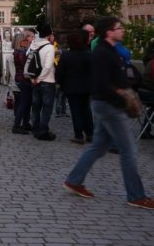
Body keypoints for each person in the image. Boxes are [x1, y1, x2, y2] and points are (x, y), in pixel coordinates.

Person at [63, 17, 154, 209]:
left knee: (98, 147)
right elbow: (102, 84)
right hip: (110, 106)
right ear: (109, 32)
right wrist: (122, 99)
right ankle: (136, 195)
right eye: (119, 28)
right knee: (128, 151)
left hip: (104, 104)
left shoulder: (108, 50)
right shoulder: (103, 53)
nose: (123, 31)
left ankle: (74, 180)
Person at [56, 30, 93, 144]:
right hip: (86, 87)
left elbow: (60, 73)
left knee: (75, 111)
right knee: (86, 110)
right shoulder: (88, 54)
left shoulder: (66, 56)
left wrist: (61, 84)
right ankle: (90, 133)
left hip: (71, 88)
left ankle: (78, 135)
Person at [30, 23, 57, 140]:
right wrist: (40, 78)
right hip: (47, 81)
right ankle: (43, 130)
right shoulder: (50, 47)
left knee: (36, 106)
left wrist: (34, 79)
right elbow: (47, 66)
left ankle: (35, 127)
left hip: (35, 81)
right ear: (49, 34)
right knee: (47, 107)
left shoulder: (34, 45)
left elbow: (29, 64)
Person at [12, 29, 34, 134]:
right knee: (24, 103)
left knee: (27, 102)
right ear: (22, 41)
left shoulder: (19, 51)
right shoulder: (21, 52)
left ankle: (25, 123)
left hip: (21, 78)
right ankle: (17, 125)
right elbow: (25, 66)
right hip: (23, 79)